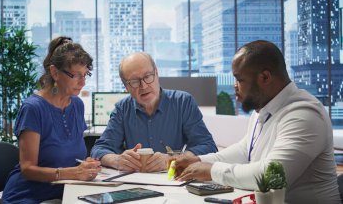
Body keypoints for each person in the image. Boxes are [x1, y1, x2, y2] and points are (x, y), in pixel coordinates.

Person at [173, 40, 341, 203]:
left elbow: (269, 176)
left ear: (265, 77)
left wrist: (212, 170)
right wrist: (199, 161)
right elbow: (245, 151)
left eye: (239, 79)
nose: (235, 86)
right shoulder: (263, 108)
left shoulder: (304, 114)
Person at [2, 36, 101, 203]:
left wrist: (87, 165)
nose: (83, 82)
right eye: (76, 75)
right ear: (55, 72)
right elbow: (27, 169)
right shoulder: (33, 108)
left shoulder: (77, 105)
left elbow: (72, 156)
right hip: (29, 195)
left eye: (86, 75)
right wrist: (72, 173)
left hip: (65, 191)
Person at [90, 52, 217, 172]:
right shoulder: (122, 109)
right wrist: (117, 160)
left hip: (172, 179)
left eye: (147, 76)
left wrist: (173, 160)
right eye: (134, 81)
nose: (144, 86)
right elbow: (99, 149)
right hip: (134, 183)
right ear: (126, 86)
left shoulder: (183, 102)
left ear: (156, 73)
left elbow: (207, 146)